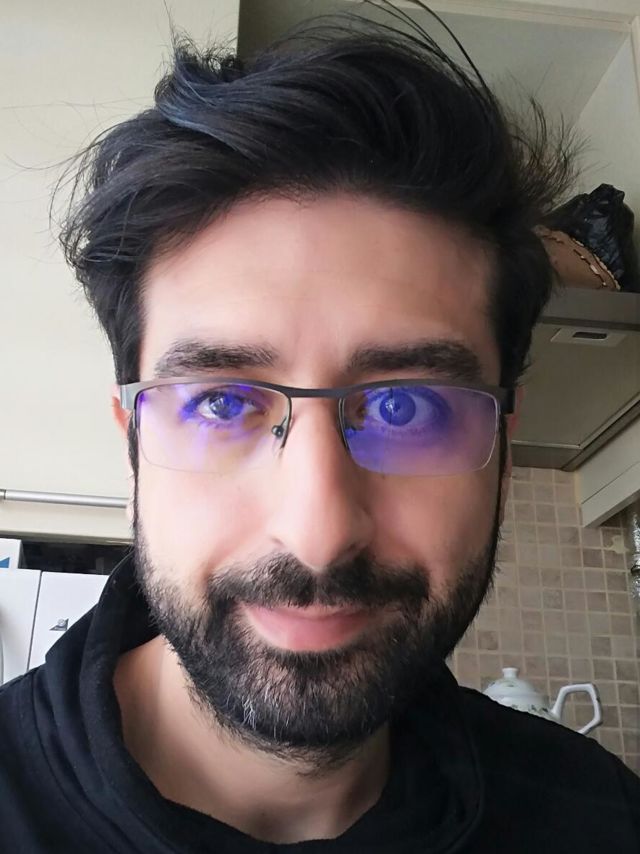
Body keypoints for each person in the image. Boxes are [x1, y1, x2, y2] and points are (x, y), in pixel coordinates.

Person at [1, 3, 638, 851]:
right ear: (133, 446)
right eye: (222, 402)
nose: (320, 533)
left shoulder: (601, 818)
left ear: (504, 454)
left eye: (408, 406)